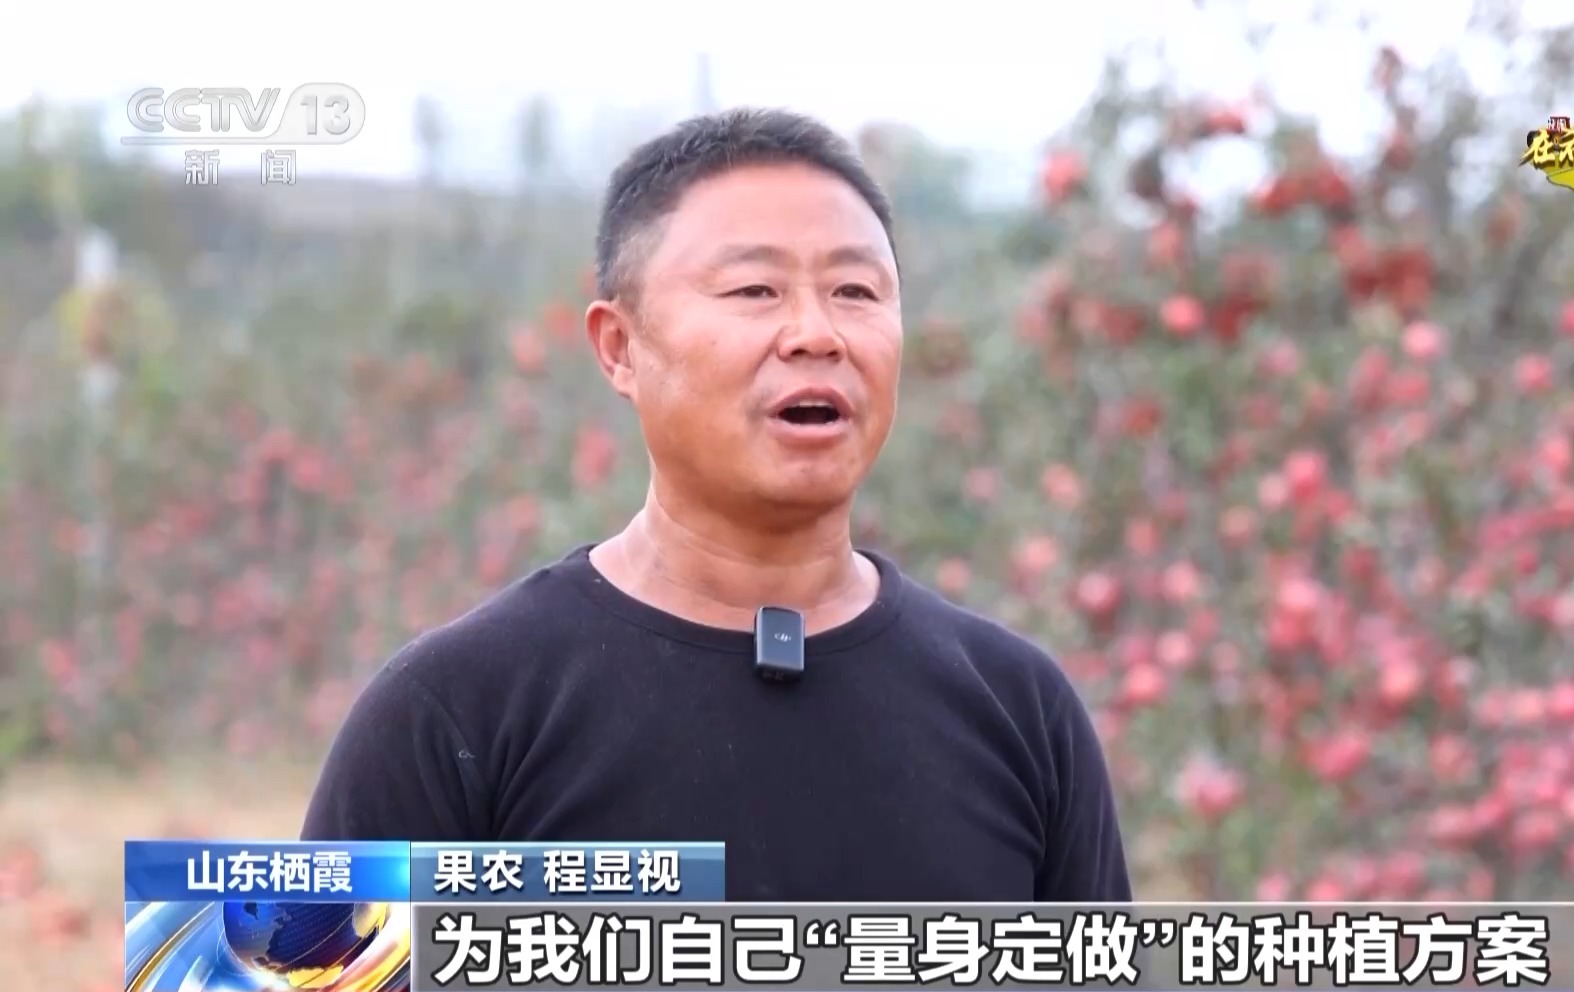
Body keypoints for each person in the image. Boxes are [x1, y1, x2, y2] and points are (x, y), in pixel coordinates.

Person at [302, 108, 1133, 902]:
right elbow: (302, 961)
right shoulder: (458, 713)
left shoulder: (1021, 711)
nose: (818, 334)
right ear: (619, 348)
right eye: (754, 290)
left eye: (856, 291)